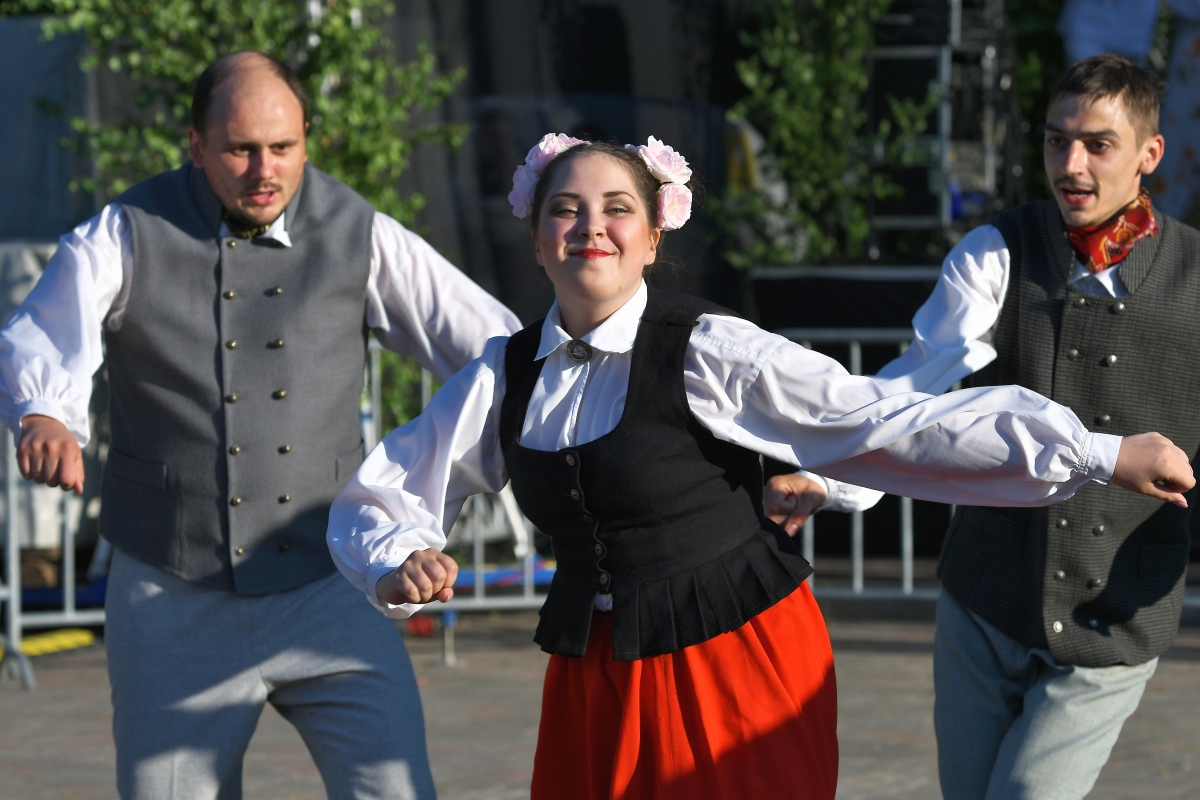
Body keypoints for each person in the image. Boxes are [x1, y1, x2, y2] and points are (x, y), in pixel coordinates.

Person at [326, 131, 1193, 800]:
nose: (591, 226)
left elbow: (881, 422)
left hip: (732, 658)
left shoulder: (708, 349)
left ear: (653, 238)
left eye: (617, 207)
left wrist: (1095, 451)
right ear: (537, 238)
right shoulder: (504, 373)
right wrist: (400, 556)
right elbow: (395, 483)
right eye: (566, 209)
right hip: (595, 675)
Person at [0, 52, 520, 799]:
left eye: (283, 146)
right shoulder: (126, 230)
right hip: (171, 595)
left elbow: (491, 348)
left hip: (331, 586)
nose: (264, 170)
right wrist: (44, 411)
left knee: (396, 791)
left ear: (307, 136)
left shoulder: (360, 231)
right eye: (240, 150)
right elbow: (49, 330)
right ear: (195, 146)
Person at [767, 55, 1200, 800]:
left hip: (1117, 611)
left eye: (1097, 144)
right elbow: (914, 383)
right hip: (986, 598)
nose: (1070, 164)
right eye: (1056, 140)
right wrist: (828, 474)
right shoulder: (996, 250)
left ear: (1148, 154)